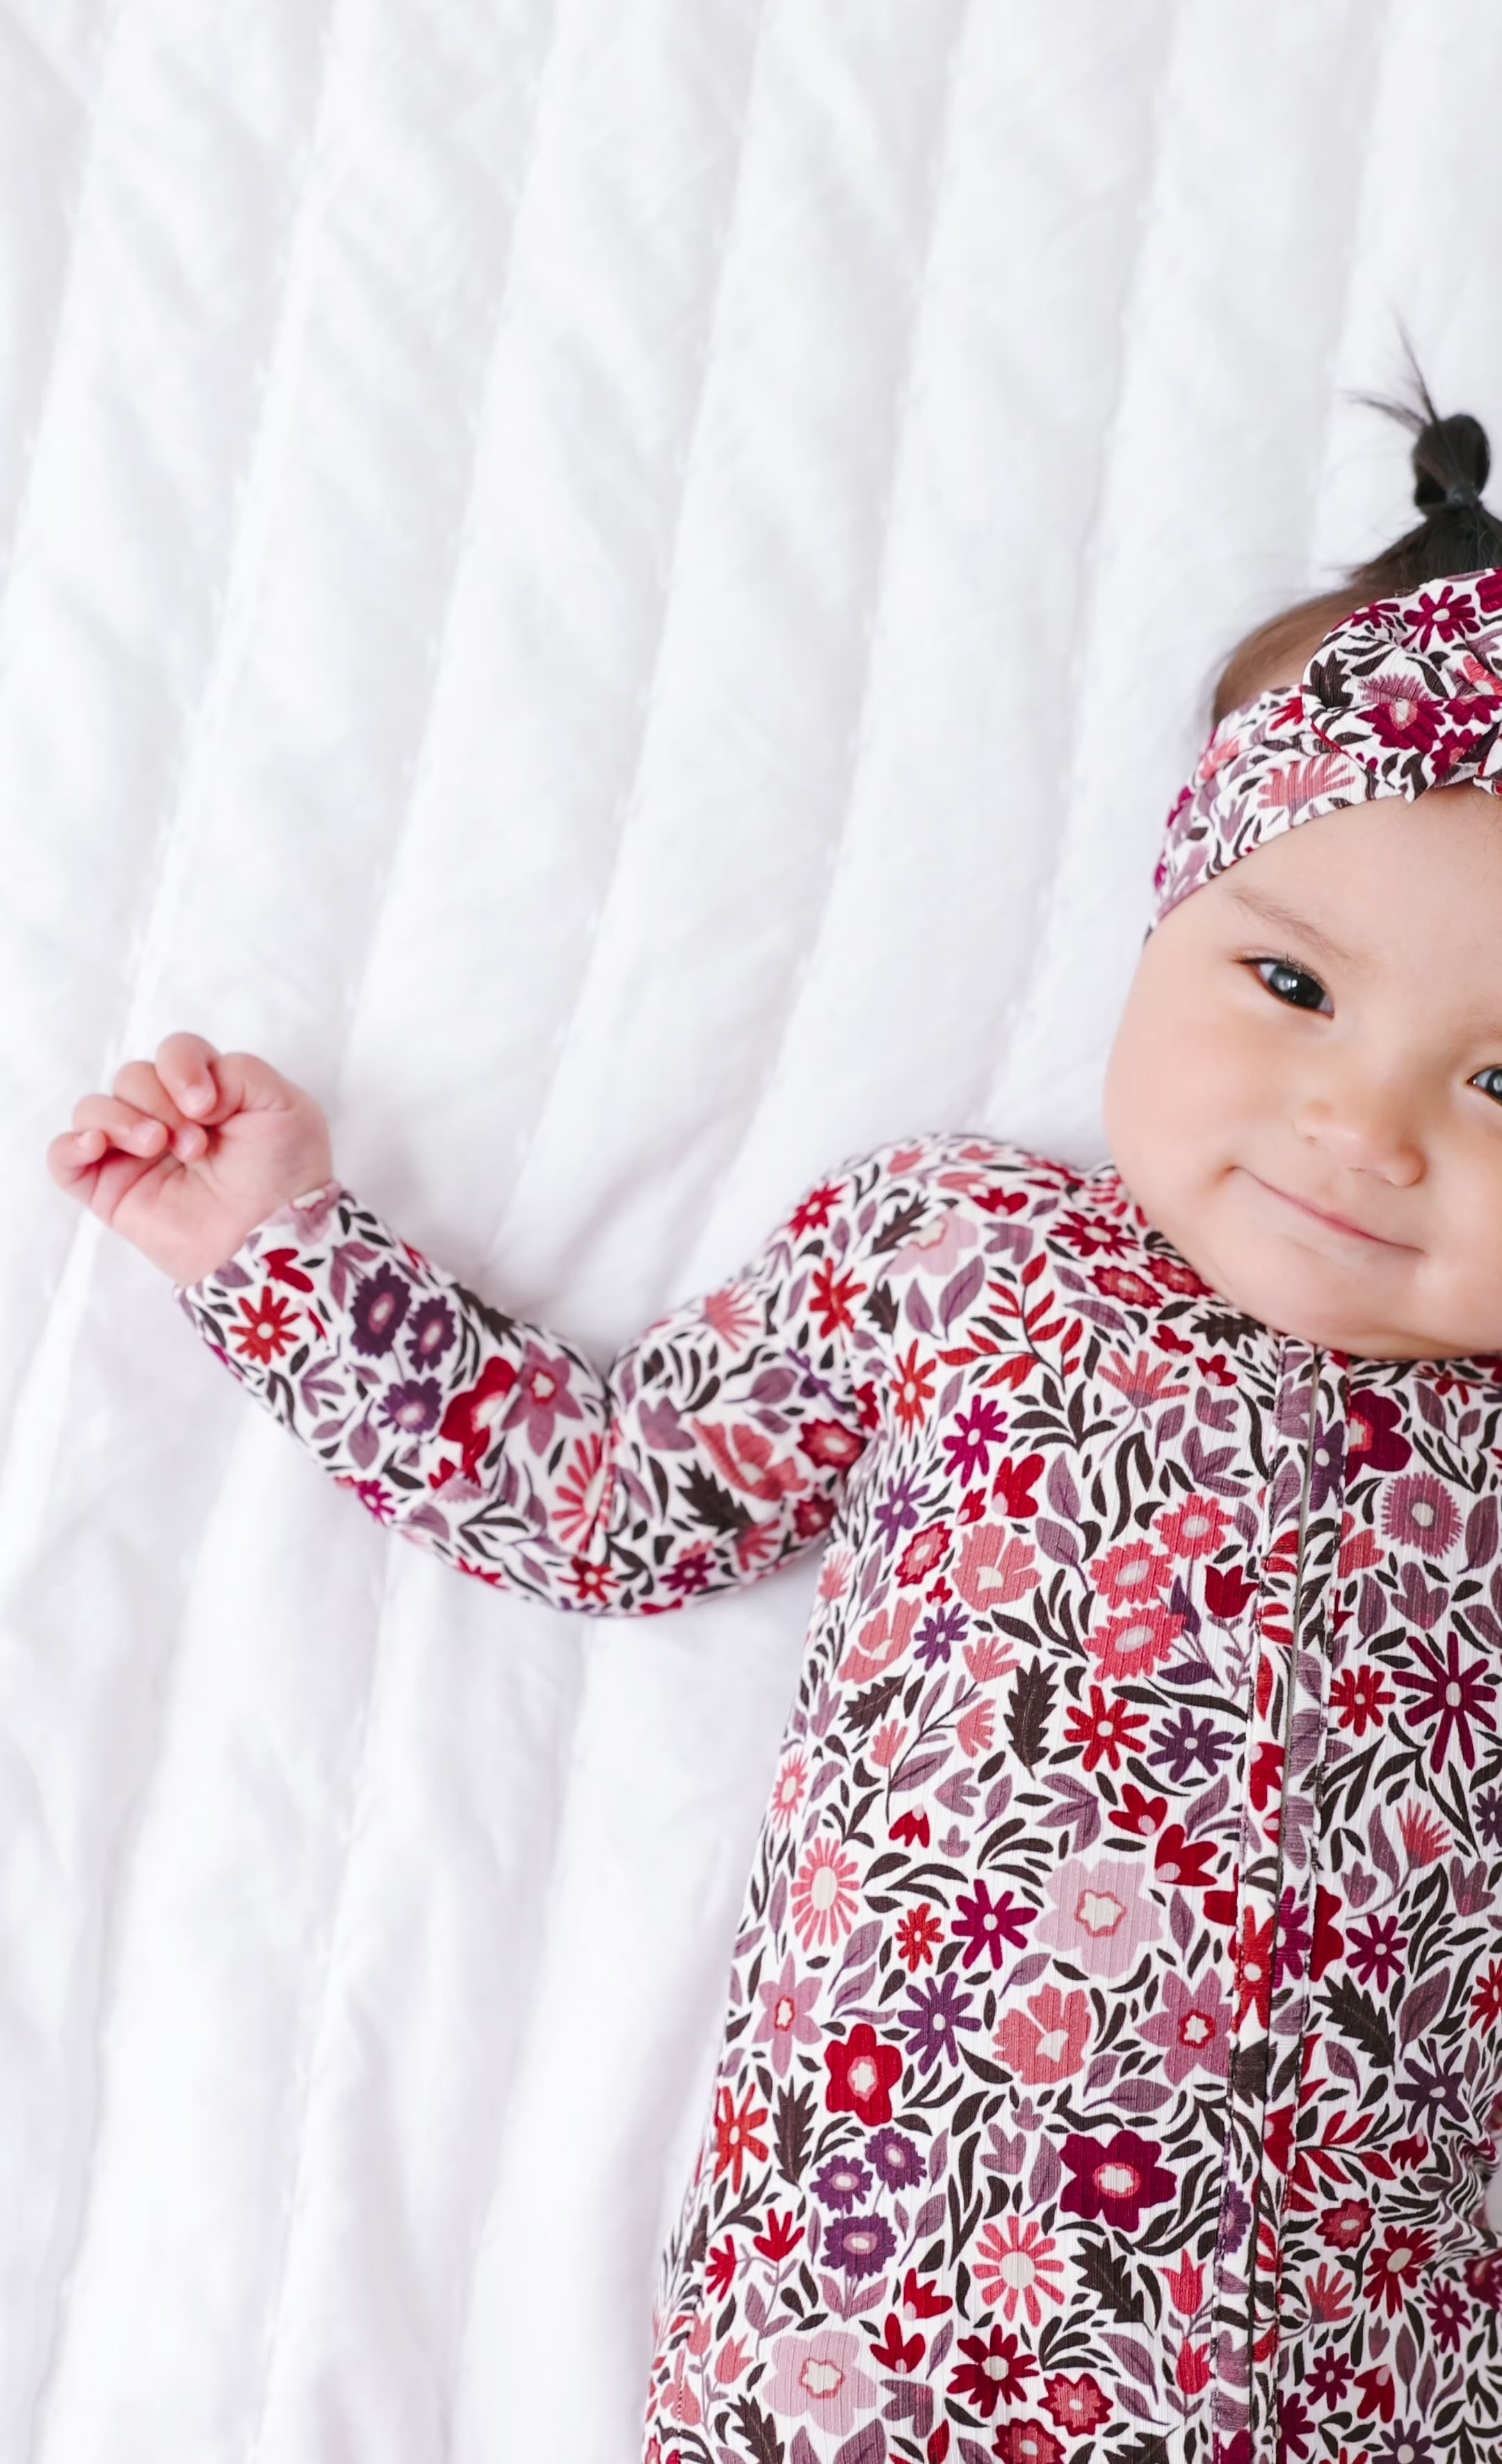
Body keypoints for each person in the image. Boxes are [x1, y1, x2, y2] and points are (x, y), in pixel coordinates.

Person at [48, 399, 1502, 2464]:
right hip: (866, 2322)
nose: (1362, 1127)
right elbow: (613, 1496)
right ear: (1168, 919)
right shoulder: (968, 1252)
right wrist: (282, 1253)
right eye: (1290, 987)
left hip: (1364, 2375)